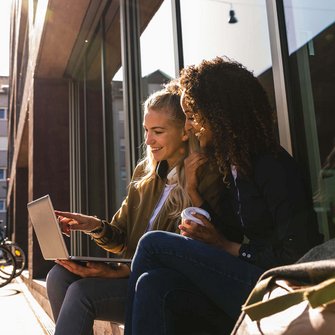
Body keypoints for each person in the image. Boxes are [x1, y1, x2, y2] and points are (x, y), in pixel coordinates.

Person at [124, 56, 323, 335]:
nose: (189, 127)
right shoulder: (234, 166)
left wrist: (231, 248)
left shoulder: (271, 165)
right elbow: (227, 232)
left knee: (153, 244)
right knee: (153, 284)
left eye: (193, 117)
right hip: (248, 280)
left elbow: (297, 252)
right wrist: (194, 193)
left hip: (279, 290)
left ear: (220, 113)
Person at [46, 82, 225, 335]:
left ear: (185, 131)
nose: (148, 140)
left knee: (80, 292)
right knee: (58, 276)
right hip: (130, 274)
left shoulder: (208, 175)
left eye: (158, 132)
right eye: (146, 130)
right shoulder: (145, 174)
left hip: (161, 286)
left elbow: (191, 256)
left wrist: (117, 273)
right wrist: (92, 225)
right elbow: (121, 237)